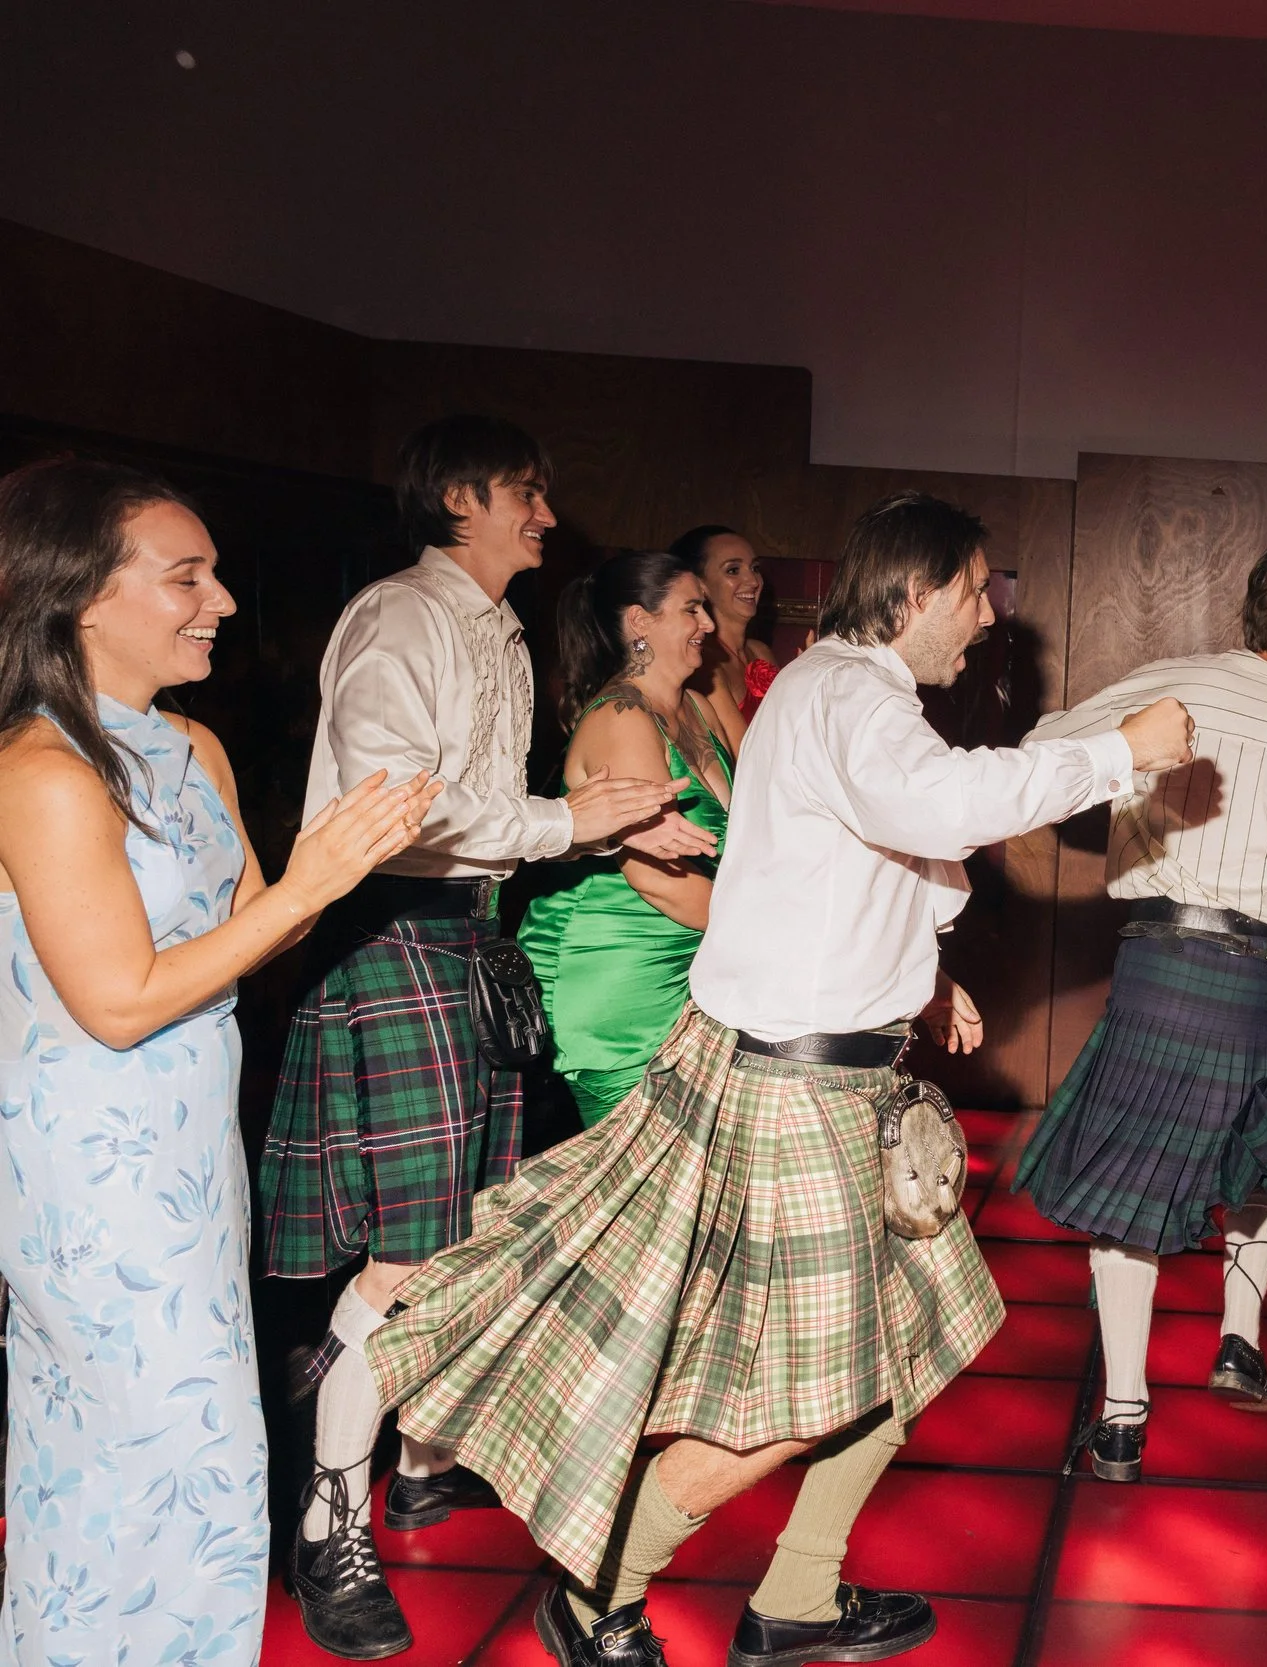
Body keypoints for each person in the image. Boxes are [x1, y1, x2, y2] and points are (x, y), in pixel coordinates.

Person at [365, 490, 1193, 1666]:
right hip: (798, 1090)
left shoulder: (828, 686)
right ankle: (601, 1584)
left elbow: (826, 864)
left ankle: (799, 1590)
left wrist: (920, 973)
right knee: (804, 1391)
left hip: (825, 1072)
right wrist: (1123, 751)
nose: (987, 612)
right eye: (973, 588)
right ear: (911, 595)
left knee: (919, 1327)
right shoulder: (852, 693)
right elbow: (940, 800)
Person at [258, 416, 715, 1658]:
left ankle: (415, 1464)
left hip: (462, 935)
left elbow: (500, 817)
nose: (548, 518)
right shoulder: (405, 616)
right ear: (458, 496)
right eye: (527, 493)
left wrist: (597, 827)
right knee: (405, 1262)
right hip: (396, 932)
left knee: (459, 1235)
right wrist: (568, 821)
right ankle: (324, 1523)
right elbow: (388, 806)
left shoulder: (490, 626)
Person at [0, 458, 437, 1665]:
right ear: (82, 594)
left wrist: (340, 863)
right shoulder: (39, 773)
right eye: (185, 575)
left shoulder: (190, 746)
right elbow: (122, 1000)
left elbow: (256, 927)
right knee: (142, 1454)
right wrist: (307, 881)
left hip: (187, 1162)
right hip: (86, 1172)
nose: (224, 600)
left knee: (205, 1456)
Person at [1016, 538, 1267, 1482]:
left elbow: (1040, 750)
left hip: (1163, 962)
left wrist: (1127, 787)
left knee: (1131, 1194)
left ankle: (1120, 1420)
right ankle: (1237, 1337)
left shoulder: (1168, 679)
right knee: (1263, 1160)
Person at [519, 549, 736, 1127]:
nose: (708, 625)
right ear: (640, 622)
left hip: (684, 966)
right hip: (620, 980)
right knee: (637, 1196)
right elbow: (656, 880)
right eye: (692, 609)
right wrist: (769, 936)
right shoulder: (622, 719)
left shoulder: (693, 706)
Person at [675, 524, 779, 746]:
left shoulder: (760, 651)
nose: (753, 581)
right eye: (733, 570)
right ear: (699, 586)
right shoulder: (703, 663)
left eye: (755, 568)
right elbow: (743, 755)